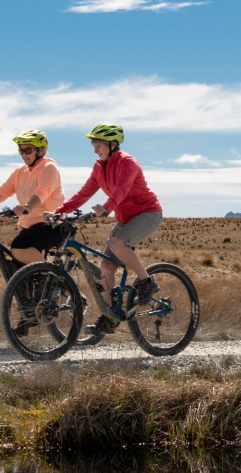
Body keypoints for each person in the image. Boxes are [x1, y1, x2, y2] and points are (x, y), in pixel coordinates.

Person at [53, 123, 162, 335]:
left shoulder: (127, 163)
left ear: (113, 144)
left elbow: (121, 190)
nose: (95, 149)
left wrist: (106, 208)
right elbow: (83, 194)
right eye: (94, 144)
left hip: (148, 213)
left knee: (116, 243)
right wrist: (60, 212)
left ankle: (146, 281)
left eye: (99, 144)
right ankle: (109, 315)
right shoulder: (98, 167)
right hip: (125, 218)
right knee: (106, 265)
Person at [0, 129, 65, 267]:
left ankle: (50, 277)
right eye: (20, 150)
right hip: (30, 226)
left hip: (51, 224)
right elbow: (1, 192)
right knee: (16, 266)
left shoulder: (48, 167)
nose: (23, 154)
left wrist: (27, 207)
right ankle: (31, 283)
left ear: (39, 150)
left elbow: (43, 191)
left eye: (28, 150)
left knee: (19, 247)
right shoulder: (20, 172)